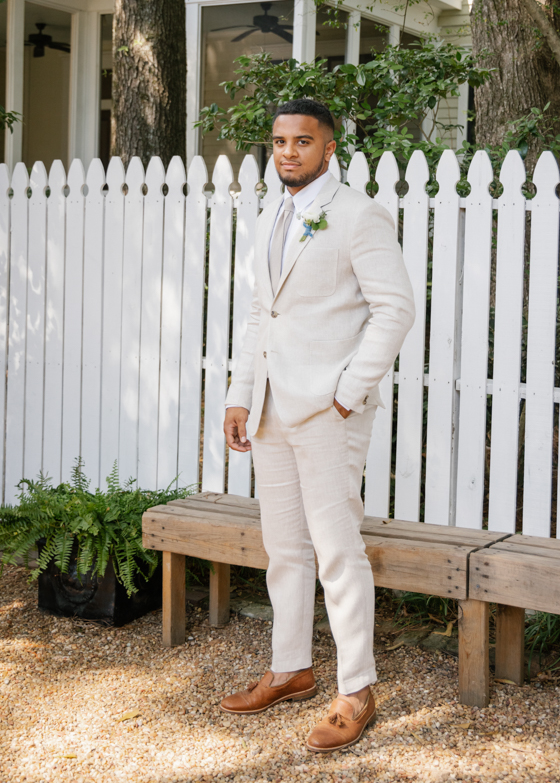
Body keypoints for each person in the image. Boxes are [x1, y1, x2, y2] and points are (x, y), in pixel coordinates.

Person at [221, 98, 414, 753]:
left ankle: (355, 688)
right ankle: (291, 669)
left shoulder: (359, 216)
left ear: (328, 148)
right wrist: (239, 394)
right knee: (283, 549)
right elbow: (259, 316)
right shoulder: (270, 213)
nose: (287, 152)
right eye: (278, 141)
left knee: (336, 550)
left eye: (301, 141)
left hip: (329, 413)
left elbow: (394, 310)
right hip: (272, 407)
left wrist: (347, 391)